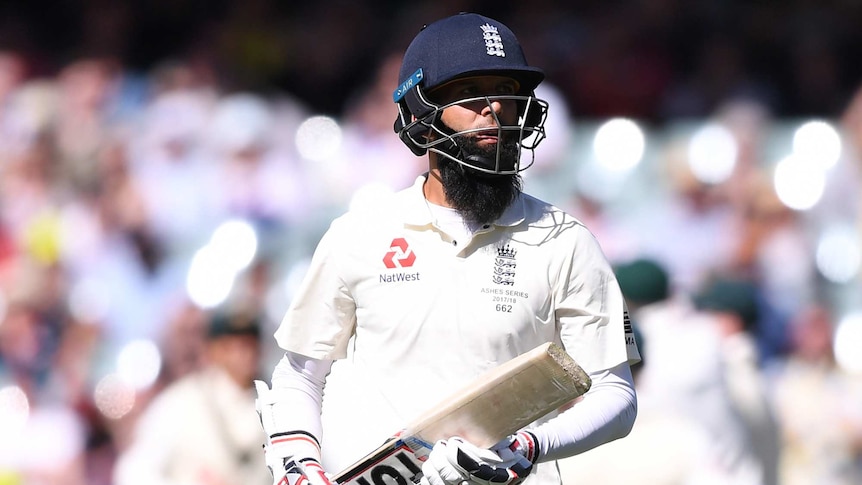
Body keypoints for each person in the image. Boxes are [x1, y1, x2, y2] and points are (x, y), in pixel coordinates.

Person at [255, 12, 640, 485]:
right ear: (421, 113)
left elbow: (616, 396)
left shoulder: (565, 240)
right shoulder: (360, 235)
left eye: (506, 91)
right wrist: (301, 466)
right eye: (469, 92)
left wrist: (526, 446)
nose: (494, 108)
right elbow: (299, 376)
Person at [113, 309, 270, 485]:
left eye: (250, 344)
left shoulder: (278, 402)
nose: (243, 354)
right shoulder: (182, 402)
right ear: (214, 351)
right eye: (231, 347)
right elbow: (134, 472)